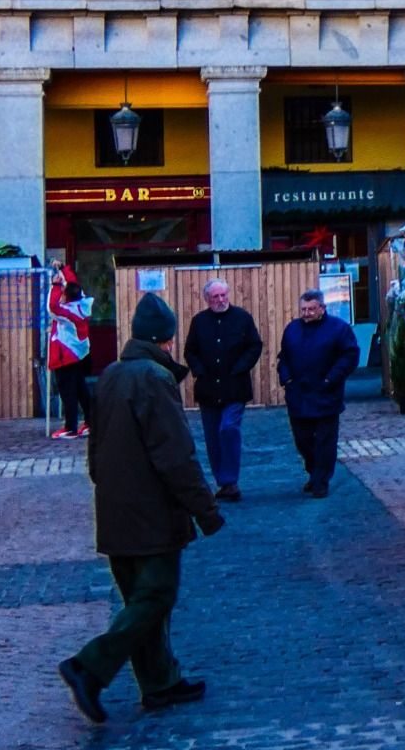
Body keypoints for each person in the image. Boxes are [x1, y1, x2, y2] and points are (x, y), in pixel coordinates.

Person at [58, 293, 223, 725]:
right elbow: (175, 455)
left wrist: (107, 487)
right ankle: (89, 667)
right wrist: (205, 511)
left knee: (140, 598)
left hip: (116, 509)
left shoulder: (110, 375)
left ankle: (160, 683)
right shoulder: (154, 379)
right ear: (165, 340)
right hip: (152, 514)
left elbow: (94, 449)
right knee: (155, 596)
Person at [181, 279, 264, 503]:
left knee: (228, 428)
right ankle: (224, 482)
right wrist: (199, 370)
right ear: (207, 299)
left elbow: (255, 345)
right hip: (208, 388)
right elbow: (190, 350)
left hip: (235, 387)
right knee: (212, 437)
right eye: (215, 297)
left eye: (223, 295)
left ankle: (230, 480)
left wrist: (241, 367)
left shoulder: (242, 318)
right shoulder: (199, 321)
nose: (220, 300)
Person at [278, 288, 356, 499]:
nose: (307, 313)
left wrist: (331, 379)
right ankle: (313, 472)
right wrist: (286, 379)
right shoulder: (292, 329)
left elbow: (349, 356)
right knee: (302, 440)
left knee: (324, 442)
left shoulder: (339, 329)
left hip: (326, 394)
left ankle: (321, 480)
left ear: (322, 308)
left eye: (311, 309)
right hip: (298, 395)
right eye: (303, 309)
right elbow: (283, 357)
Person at [47, 265, 95, 440]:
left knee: (68, 391)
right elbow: (74, 283)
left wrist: (55, 285)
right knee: (81, 389)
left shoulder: (67, 312)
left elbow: (52, 308)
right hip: (78, 353)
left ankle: (70, 428)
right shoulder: (81, 303)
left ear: (66, 295)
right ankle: (91, 422)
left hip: (66, 355)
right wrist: (63, 268)